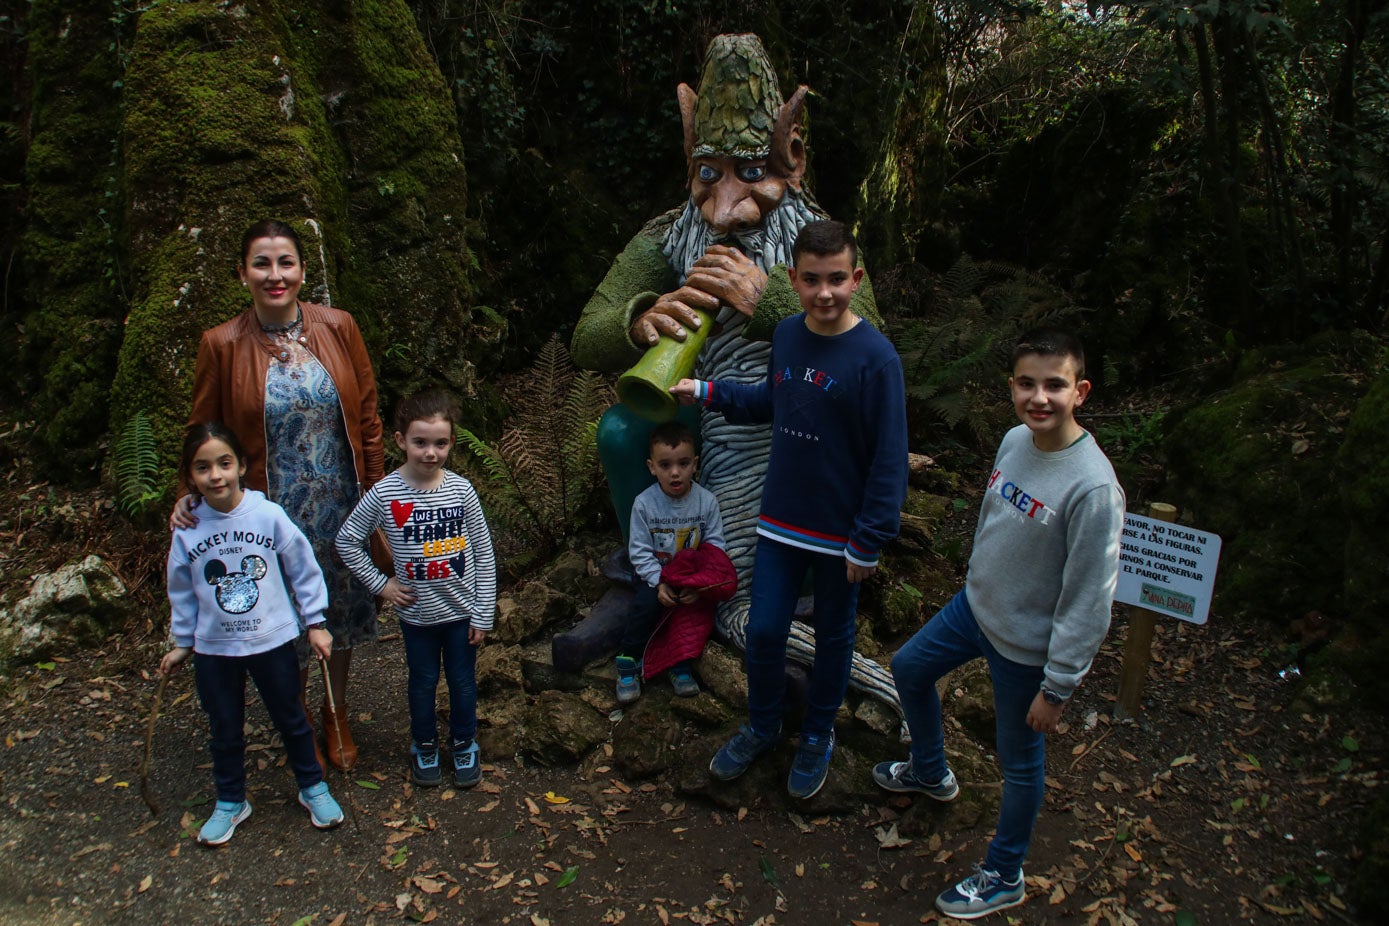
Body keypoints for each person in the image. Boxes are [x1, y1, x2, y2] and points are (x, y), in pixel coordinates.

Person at [874, 329, 1125, 920]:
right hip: (974, 609)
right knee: (908, 668)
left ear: (1080, 391)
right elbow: (994, 522)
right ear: (1011, 387)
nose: (1040, 398)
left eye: (1055, 385)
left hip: (1025, 649)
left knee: (1020, 764)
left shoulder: (1092, 488)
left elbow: (1090, 598)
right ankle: (930, 769)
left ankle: (1004, 872)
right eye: (1028, 384)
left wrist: (1058, 686)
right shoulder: (1015, 441)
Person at [671, 220, 908, 800]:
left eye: (835, 280)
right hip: (780, 519)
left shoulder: (876, 358)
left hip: (841, 534)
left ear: (855, 279)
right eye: (810, 280)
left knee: (833, 635)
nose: (824, 293)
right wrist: (708, 392)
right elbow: (772, 401)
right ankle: (763, 723)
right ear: (793, 280)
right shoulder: (787, 334)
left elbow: (889, 457)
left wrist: (869, 539)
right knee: (767, 628)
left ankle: (819, 734)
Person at [173, 219, 384, 771]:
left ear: (302, 270)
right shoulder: (220, 344)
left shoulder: (338, 327)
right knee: (284, 615)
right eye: (262, 264)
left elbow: (366, 418)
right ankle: (300, 720)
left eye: (285, 263)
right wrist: (189, 493)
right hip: (268, 512)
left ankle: (337, 710)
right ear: (243, 273)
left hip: (341, 502)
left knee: (339, 610)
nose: (275, 275)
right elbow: (203, 429)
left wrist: (380, 494)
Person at [161, 422, 345, 846]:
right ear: (191, 476)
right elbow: (182, 589)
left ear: (242, 465)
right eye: (203, 468)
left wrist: (315, 623)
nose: (216, 476)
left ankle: (312, 786)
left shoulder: (267, 515)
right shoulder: (187, 528)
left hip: (272, 639)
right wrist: (182, 643)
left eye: (224, 463)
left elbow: (302, 566)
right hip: (214, 648)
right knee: (224, 725)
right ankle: (230, 800)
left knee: (291, 718)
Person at [335, 390, 497, 789]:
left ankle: (463, 743)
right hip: (417, 617)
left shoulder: (461, 490)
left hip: (461, 615)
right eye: (420, 442)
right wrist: (381, 585)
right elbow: (347, 540)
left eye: (440, 443)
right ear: (400, 441)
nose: (430, 453)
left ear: (451, 442)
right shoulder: (386, 493)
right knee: (422, 681)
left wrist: (483, 611)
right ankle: (424, 744)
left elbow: (484, 552)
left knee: (461, 682)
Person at [616, 419, 727, 704]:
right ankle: (628, 660)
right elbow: (639, 551)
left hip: (690, 576)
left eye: (683, 463)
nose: (675, 473)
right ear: (652, 467)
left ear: (695, 464)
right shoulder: (644, 504)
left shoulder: (707, 502)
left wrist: (701, 585)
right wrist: (658, 582)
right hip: (654, 573)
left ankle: (679, 665)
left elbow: (715, 547)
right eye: (665, 465)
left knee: (690, 613)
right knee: (646, 606)